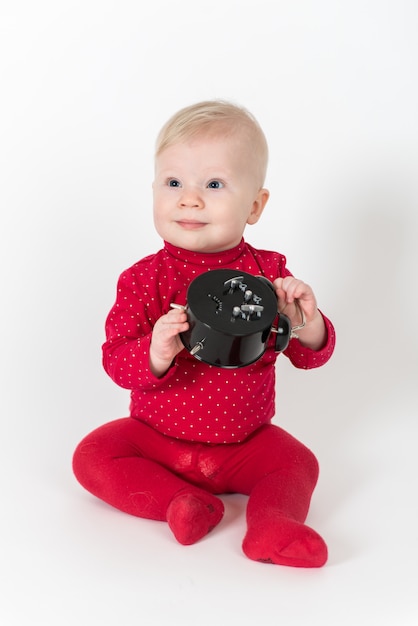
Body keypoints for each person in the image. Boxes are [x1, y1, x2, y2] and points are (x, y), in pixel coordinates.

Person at [72, 100, 336, 567]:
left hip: (245, 444)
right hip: (156, 440)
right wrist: (155, 351)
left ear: (255, 205)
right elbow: (115, 360)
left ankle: (272, 526)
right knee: (92, 456)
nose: (189, 199)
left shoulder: (268, 273)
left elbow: (311, 356)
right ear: (153, 190)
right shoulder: (142, 279)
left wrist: (306, 322)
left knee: (299, 464)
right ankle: (181, 503)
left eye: (213, 184)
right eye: (173, 183)